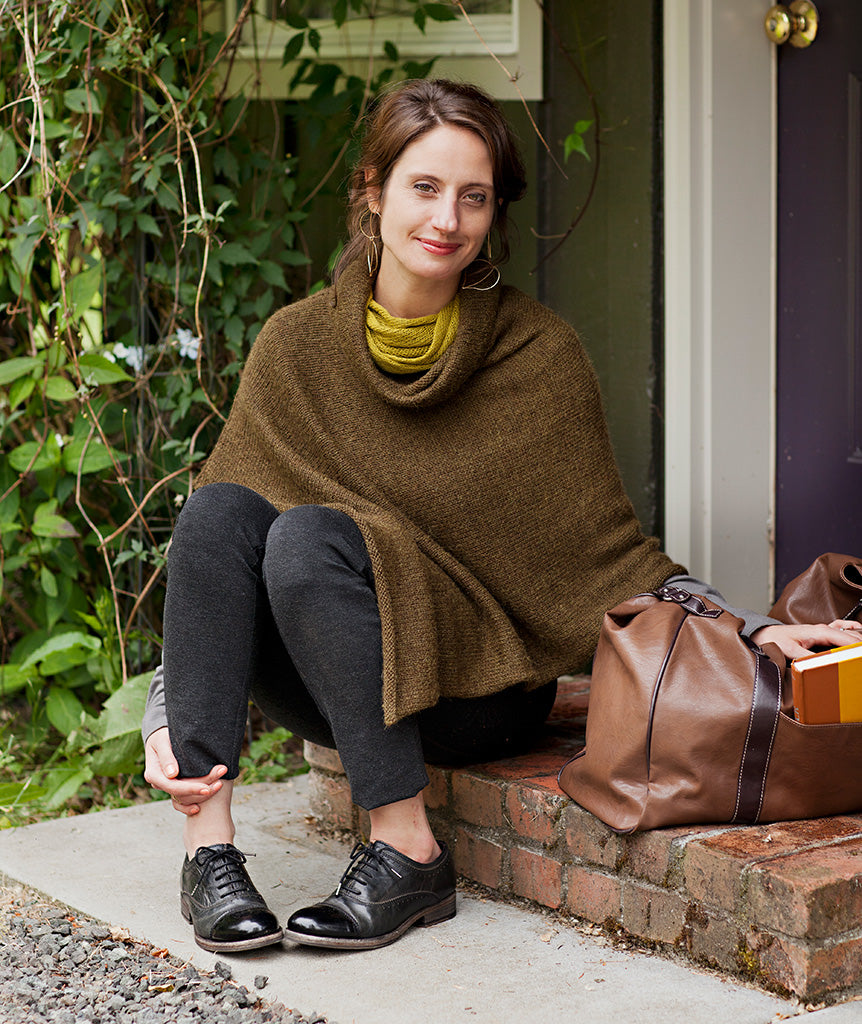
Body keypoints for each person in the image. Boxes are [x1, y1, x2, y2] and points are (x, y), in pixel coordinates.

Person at [142, 78, 860, 955]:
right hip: (341, 676)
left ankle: (407, 851)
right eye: (424, 187)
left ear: (494, 213)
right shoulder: (296, 347)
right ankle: (208, 851)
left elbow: (611, 557)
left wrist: (753, 629)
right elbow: (213, 566)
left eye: (473, 197)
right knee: (219, 508)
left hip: (478, 697)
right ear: (373, 192)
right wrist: (169, 714)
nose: (447, 219)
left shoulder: (536, 353)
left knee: (304, 538)